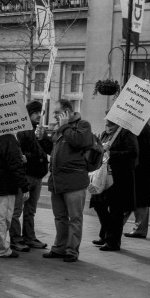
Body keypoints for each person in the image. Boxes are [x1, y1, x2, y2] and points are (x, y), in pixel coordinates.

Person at [38, 99, 94, 262]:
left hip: (74, 180)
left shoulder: (83, 125)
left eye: (57, 113)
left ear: (67, 112)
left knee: (74, 218)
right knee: (60, 217)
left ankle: (72, 250)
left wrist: (64, 126)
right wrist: (42, 139)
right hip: (58, 180)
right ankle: (59, 247)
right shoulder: (61, 128)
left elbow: (79, 142)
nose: (54, 116)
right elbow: (53, 151)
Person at [90, 120, 138, 251]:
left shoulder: (126, 134)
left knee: (116, 210)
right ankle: (105, 235)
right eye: (106, 123)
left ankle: (113, 241)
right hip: (103, 176)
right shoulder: (104, 134)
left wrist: (112, 153)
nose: (107, 126)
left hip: (119, 177)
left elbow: (132, 153)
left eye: (110, 124)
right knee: (98, 204)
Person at [10, 100, 50, 250]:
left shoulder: (40, 130)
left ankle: (29, 237)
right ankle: (15, 239)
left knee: (31, 210)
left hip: (38, 175)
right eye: (36, 112)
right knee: (17, 209)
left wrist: (43, 138)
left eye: (41, 112)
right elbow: (20, 154)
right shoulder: (22, 130)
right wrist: (31, 157)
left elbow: (49, 149)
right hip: (26, 175)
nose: (39, 115)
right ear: (29, 113)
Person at [0, 132, 29, 258]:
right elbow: (14, 165)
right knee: (2, 218)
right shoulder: (8, 138)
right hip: (5, 185)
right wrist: (24, 187)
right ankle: (1, 248)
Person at [123, 122, 150, 238]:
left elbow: (132, 148)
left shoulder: (135, 127)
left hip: (137, 168)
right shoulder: (147, 128)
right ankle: (140, 229)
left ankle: (113, 228)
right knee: (141, 200)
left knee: (128, 199)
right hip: (144, 169)